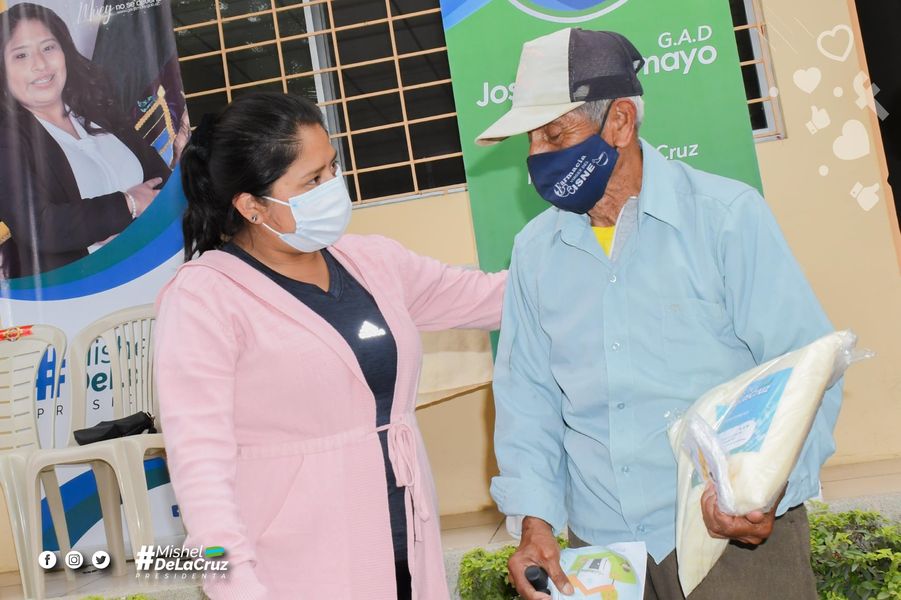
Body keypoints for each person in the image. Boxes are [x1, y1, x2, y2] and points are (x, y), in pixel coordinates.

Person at [479, 28, 842, 600]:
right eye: (531, 140)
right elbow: (528, 398)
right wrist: (535, 521)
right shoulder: (534, 252)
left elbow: (808, 369)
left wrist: (767, 494)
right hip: (604, 558)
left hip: (729, 540)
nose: (537, 158)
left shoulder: (725, 219)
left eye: (555, 134)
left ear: (620, 122)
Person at [154, 91, 506, 599]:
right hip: (292, 568)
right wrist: (231, 579)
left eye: (333, 168)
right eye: (313, 180)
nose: (333, 187)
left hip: (404, 541)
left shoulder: (372, 261)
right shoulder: (204, 297)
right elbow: (199, 461)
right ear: (251, 206)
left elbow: (491, 298)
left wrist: (590, 247)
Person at [0, 2, 171, 279]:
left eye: (48, 47)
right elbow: (40, 226)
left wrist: (118, 226)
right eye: (21, 55)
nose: (40, 64)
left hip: (160, 269)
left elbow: (161, 180)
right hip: (87, 291)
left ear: (64, 51)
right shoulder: (7, 140)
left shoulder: (98, 110)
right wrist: (128, 204)